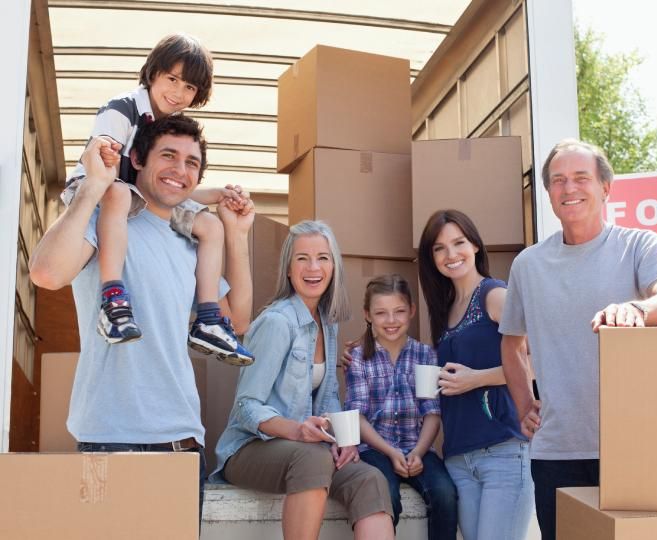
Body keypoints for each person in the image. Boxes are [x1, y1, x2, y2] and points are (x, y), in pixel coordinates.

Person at [29, 114, 255, 522]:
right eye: (168, 155)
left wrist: (236, 236)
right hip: (109, 437)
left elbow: (236, 321)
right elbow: (46, 274)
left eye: (192, 163)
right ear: (138, 158)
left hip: (183, 441)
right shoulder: (107, 220)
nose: (180, 170)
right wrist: (94, 187)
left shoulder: (195, 240)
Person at [498, 138, 657, 540]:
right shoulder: (528, 265)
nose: (569, 189)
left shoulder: (639, 246)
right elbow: (511, 341)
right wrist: (522, 405)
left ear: (605, 187)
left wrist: (636, 309)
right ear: (548, 192)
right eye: (558, 180)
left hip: (633, 445)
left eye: (581, 178)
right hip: (557, 452)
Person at [61, 33, 253, 365]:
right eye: (172, 79)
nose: (178, 93)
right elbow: (106, 157)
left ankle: (208, 317)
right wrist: (105, 148)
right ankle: (113, 299)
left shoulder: (167, 127)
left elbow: (162, 187)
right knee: (118, 193)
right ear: (153, 73)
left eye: (189, 88)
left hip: (135, 195)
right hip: (96, 189)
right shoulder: (122, 107)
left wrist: (217, 195)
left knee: (209, 225)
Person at [211, 220, 395, 540]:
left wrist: (345, 438)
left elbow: (327, 400)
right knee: (311, 457)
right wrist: (297, 430)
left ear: (334, 266)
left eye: (323, 258)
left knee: (369, 478)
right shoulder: (276, 323)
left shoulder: (328, 323)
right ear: (288, 268)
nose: (314, 267)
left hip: (307, 452)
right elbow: (246, 406)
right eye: (303, 258)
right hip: (250, 450)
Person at [417, 209, 534, 540]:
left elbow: (539, 360)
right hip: (459, 459)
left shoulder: (495, 295)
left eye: (459, 243)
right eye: (440, 248)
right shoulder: (446, 308)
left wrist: (477, 378)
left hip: (503, 451)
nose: (451, 254)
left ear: (476, 246)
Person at [344, 274, 458, 540]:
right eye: (381, 313)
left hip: (416, 445)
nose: (391, 320)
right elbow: (357, 416)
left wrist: (418, 452)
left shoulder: (425, 355)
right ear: (368, 315)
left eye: (399, 311)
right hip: (374, 449)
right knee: (386, 496)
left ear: (412, 311)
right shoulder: (359, 358)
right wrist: (391, 452)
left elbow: (432, 412)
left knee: (445, 494)